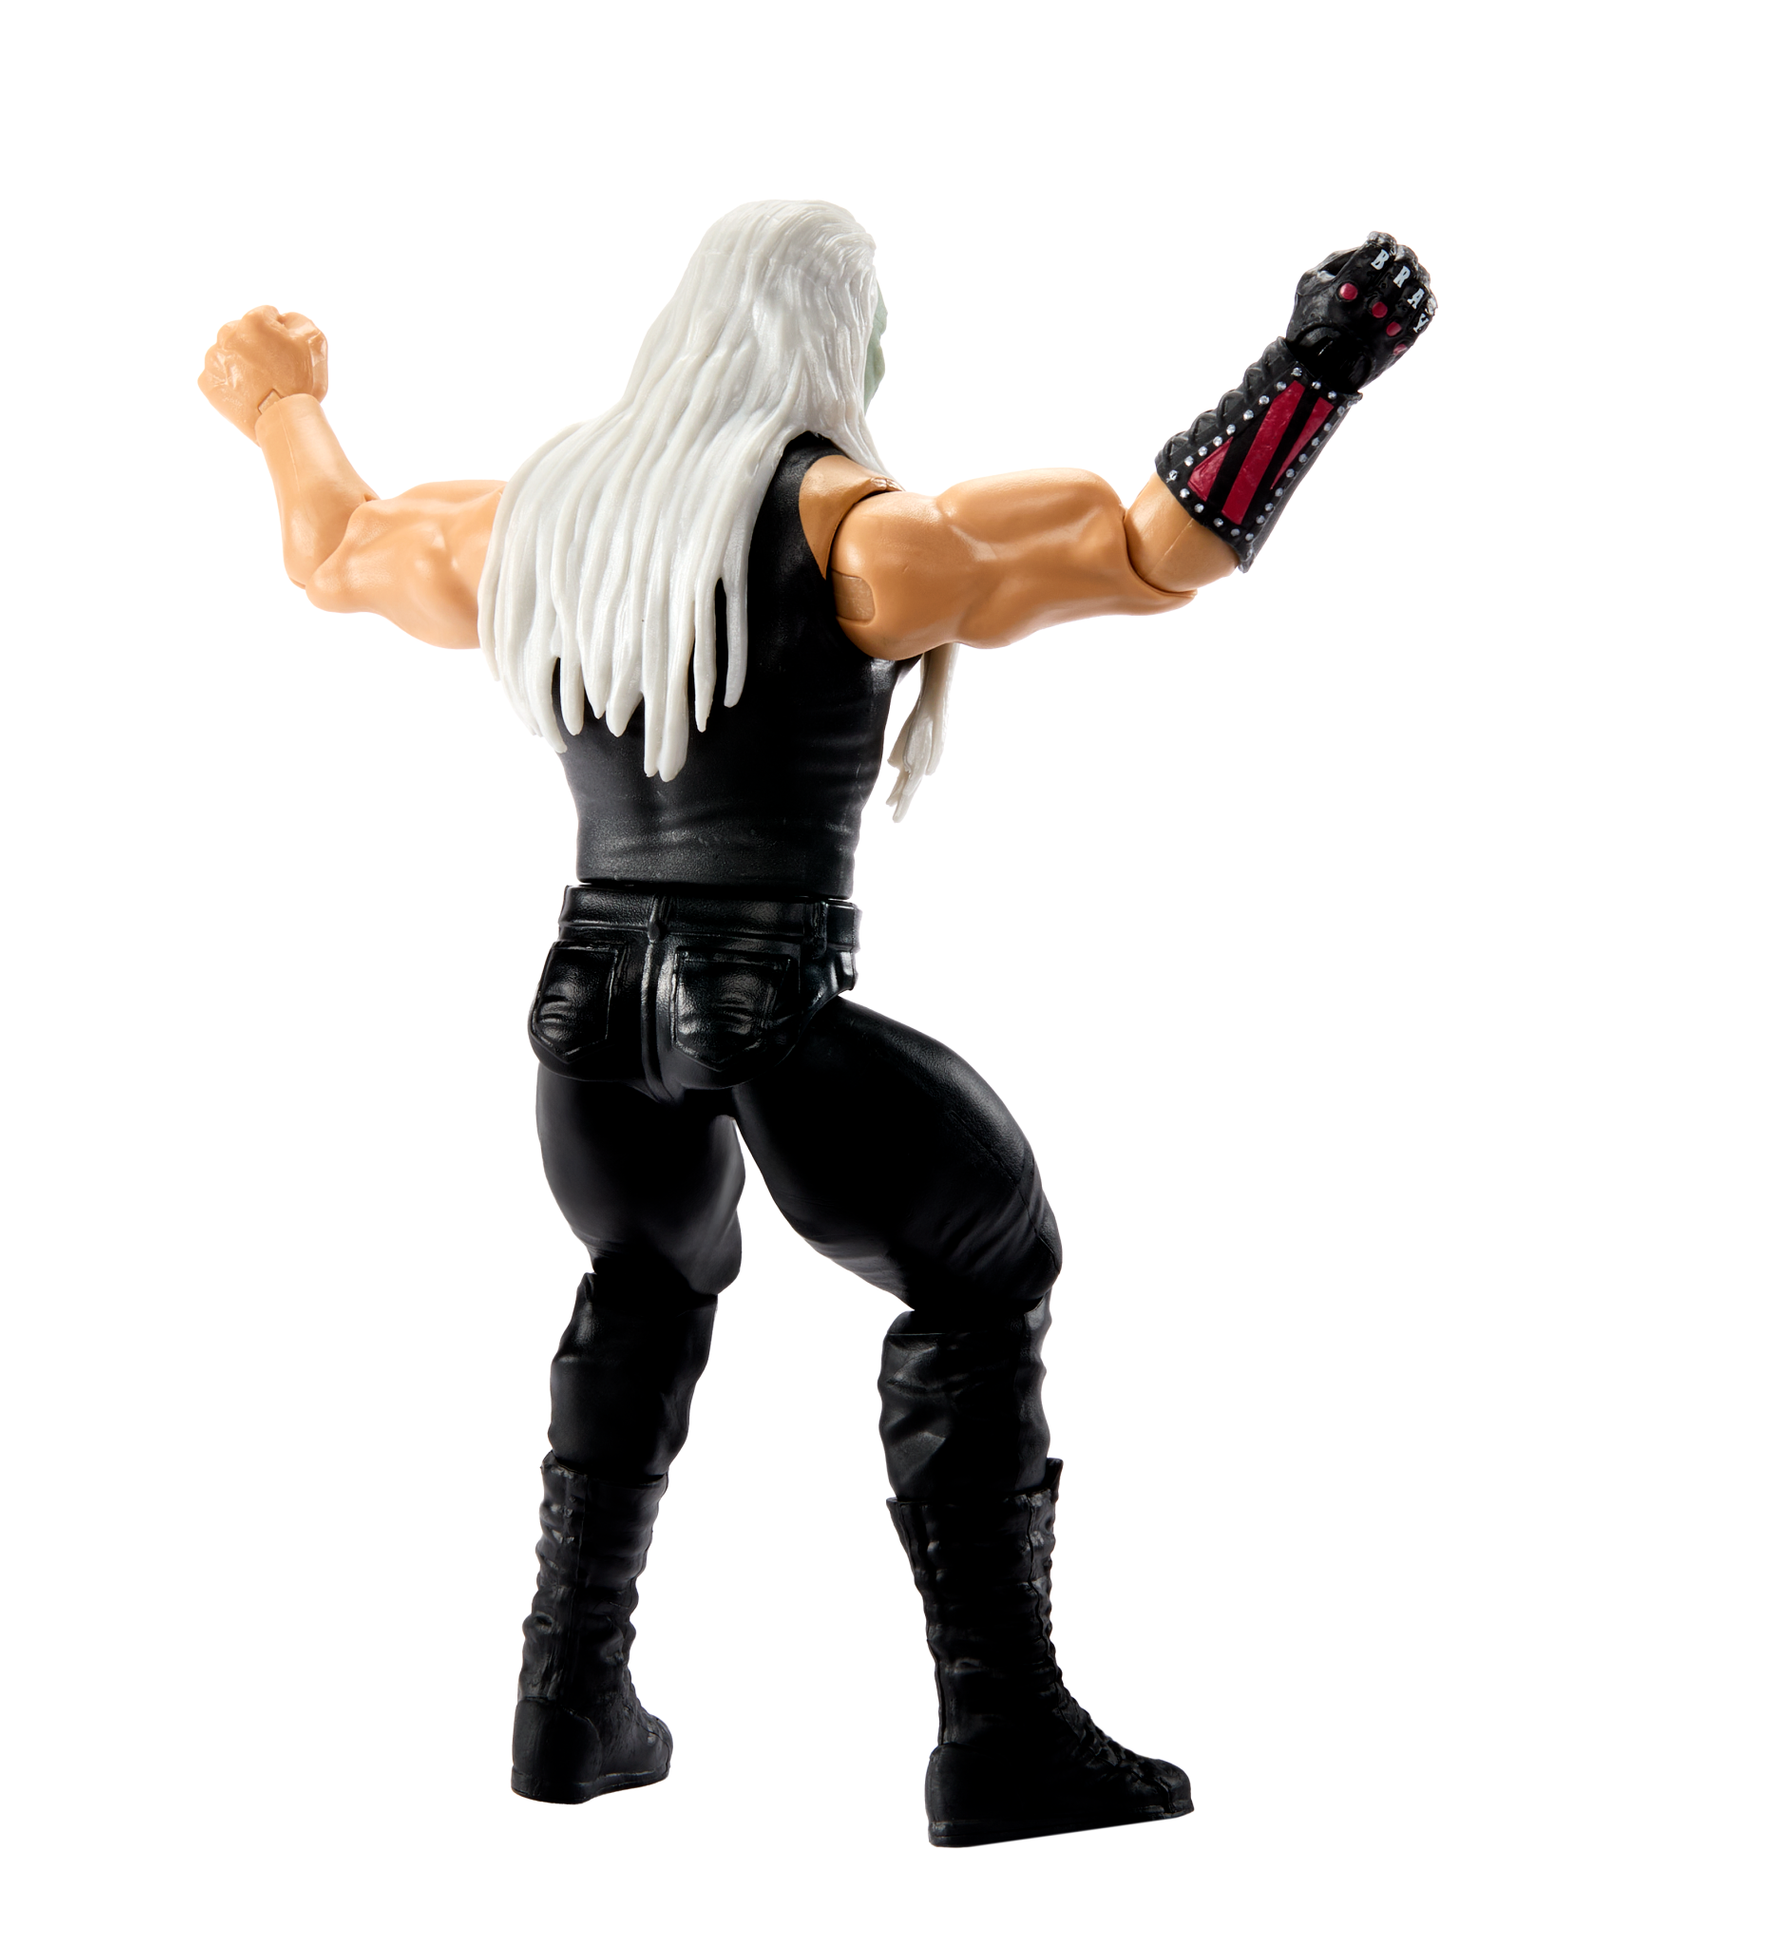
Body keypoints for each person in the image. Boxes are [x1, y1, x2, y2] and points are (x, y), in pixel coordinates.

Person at [198, 200, 1433, 1847]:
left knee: (641, 1281)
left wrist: (279, 401)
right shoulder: (864, 538)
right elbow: (1152, 550)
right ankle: (1001, 1727)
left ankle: (567, 1706)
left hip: (586, 1012)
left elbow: (336, 545)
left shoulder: (532, 527)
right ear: (841, 340)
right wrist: (1318, 361)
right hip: (756, 991)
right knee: (988, 1263)